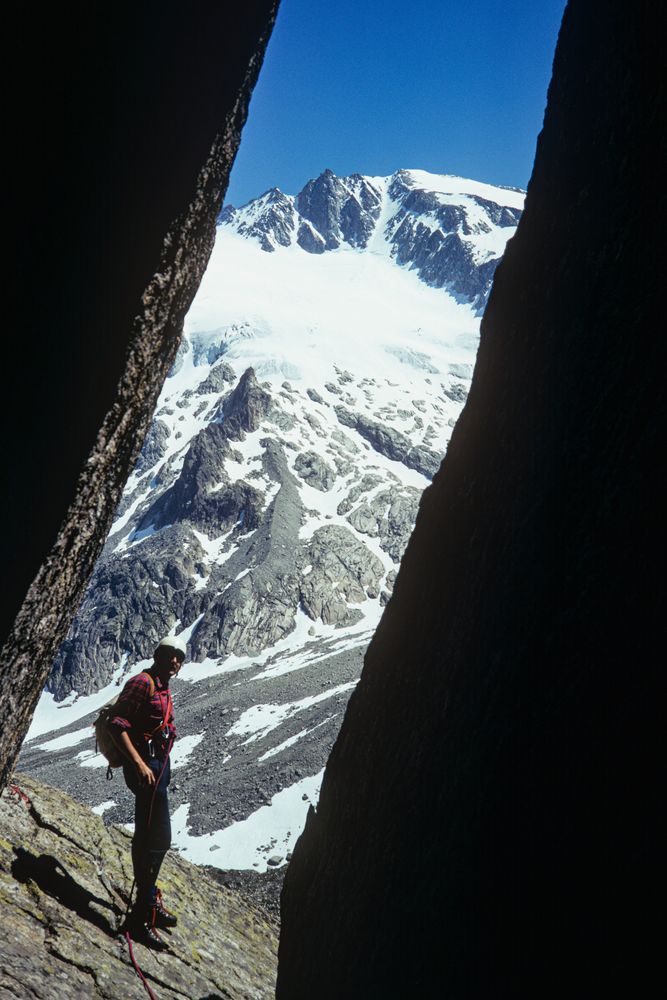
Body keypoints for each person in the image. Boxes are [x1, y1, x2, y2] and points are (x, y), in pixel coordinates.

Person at [109, 635, 186, 948]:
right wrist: (140, 764)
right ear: (159, 655)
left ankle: (149, 900)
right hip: (146, 768)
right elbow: (117, 724)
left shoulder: (163, 685)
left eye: (179, 657)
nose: (175, 662)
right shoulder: (143, 682)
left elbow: (155, 720)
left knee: (148, 833)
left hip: (158, 765)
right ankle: (140, 917)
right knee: (157, 838)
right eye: (170, 655)